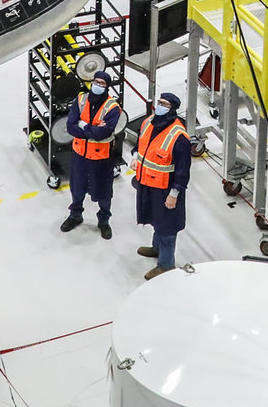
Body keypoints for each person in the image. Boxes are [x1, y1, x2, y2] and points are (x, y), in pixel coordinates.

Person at [129, 92, 189, 279]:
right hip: (147, 184)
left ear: (172, 109)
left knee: (167, 228)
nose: (160, 107)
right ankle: (156, 249)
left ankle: (166, 265)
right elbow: (141, 144)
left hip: (165, 189)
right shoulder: (149, 122)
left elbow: (183, 170)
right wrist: (135, 157)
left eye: (164, 104)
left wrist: (174, 193)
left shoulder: (179, 136)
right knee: (155, 219)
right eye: (159, 103)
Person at [59, 71, 123, 239]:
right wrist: (92, 129)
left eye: (102, 83)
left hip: (101, 158)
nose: (98, 85)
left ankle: (103, 221)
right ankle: (75, 215)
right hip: (80, 155)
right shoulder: (81, 100)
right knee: (77, 188)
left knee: (104, 192)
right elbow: (71, 127)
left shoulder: (113, 108)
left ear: (107, 87)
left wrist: (84, 126)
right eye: (96, 81)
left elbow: (104, 133)